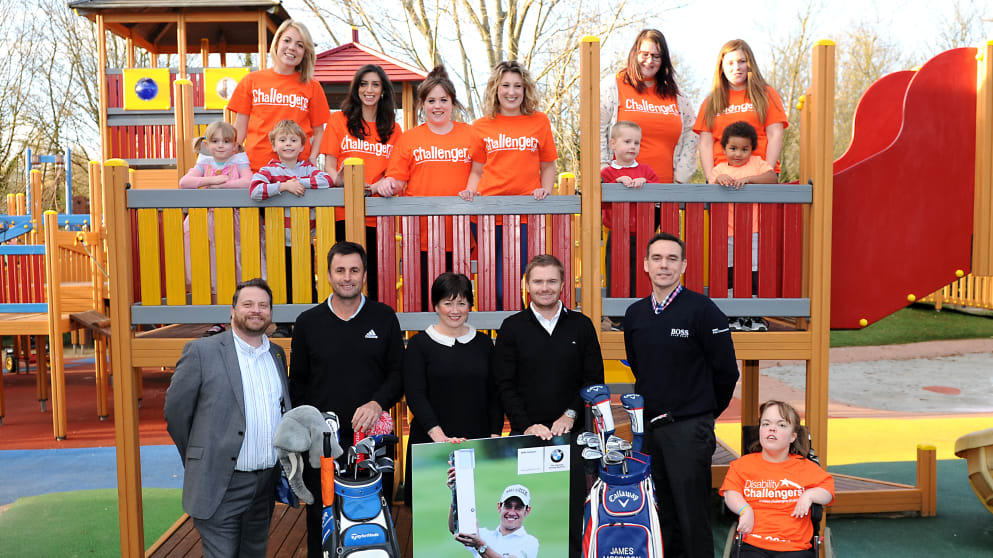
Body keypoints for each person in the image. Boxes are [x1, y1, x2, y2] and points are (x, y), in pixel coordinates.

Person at [622, 232, 740, 558]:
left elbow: (727, 372)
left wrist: (702, 414)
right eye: (657, 258)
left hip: (689, 429)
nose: (664, 265)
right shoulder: (635, 315)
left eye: (672, 259)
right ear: (645, 265)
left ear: (684, 265)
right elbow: (640, 367)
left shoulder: (703, 311)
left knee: (692, 518)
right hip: (650, 431)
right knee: (661, 517)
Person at [289, 241, 404, 558]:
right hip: (322, 445)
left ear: (365, 275)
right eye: (340, 270)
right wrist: (311, 430)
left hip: (373, 443)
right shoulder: (308, 323)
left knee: (372, 522)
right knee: (321, 521)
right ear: (327, 275)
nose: (347, 277)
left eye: (354, 270)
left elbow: (398, 374)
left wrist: (377, 403)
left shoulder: (384, 317)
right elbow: (297, 384)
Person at [164, 278, 290, 558]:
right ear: (232, 311)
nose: (255, 310)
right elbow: (175, 414)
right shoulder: (201, 352)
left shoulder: (277, 354)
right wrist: (201, 458)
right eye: (248, 304)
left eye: (263, 305)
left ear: (270, 313)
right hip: (219, 483)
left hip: (264, 485)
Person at [492, 254, 603, 558]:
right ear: (527, 285)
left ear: (563, 284)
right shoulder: (512, 327)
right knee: (527, 514)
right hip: (526, 436)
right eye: (538, 281)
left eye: (552, 281)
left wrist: (570, 414)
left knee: (568, 518)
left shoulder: (581, 326)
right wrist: (527, 424)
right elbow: (504, 384)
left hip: (571, 437)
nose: (545, 287)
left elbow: (593, 379)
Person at [600, 29, 696, 301]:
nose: (649, 60)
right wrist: (605, 171)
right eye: (644, 53)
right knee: (623, 254)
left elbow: (693, 130)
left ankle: (660, 307)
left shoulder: (674, 94)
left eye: (656, 55)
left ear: (663, 59)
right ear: (634, 53)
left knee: (660, 256)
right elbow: (597, 127)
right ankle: (621, 312)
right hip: (623, 190)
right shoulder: (615, 85)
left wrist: (681, 178)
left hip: (661, 191)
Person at [383, 65, 481, 309]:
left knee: (458, 299)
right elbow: (397, 178)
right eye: (431, 100)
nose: (438, 106)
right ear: (422, 104)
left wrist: (471, 187)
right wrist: (386, 184)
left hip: (458, 231)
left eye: (444, 100)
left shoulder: (472, 135)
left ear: (453, 103)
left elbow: (481, 171)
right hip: (421, 234)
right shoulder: (410, 138)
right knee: (424, 296)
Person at [462, 60, 558, 308]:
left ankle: (517, 335)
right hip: (486, 216)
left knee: (514, 282)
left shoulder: (539, 121)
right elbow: (476, 170)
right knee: (493, 286)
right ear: (496, 88)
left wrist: (545, 191)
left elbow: (548, 166)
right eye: (505, 85)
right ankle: (506, 337)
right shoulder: (481, 126)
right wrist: (470, 191)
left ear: (525, 90)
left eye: (518, 86)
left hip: (526, 215)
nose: (511, 92)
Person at [404, 272, 503, 500]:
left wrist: (495, 435)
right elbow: (415, 394)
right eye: (448, 303)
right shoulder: (419, 344)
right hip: (431, 444)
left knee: (477, 507)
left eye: (462, 303)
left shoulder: (484, 344)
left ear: (470, 305)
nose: (455, 310)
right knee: (431, 514)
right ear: (436, 306)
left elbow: (494, 394)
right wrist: (440, 438)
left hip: (476, 442)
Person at [320, 64, 404, 299]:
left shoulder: (394, 130)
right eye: (364, 84)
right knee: (346, 276)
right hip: (343, 212)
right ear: (356, 89)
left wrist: (376, 187)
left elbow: (396, 173)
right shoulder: (338, 121)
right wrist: (339, 179)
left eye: (375, 84)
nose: (369, 89)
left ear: (383, 91)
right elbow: (329, 165)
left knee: (377, 278)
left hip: (378, 214)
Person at [720, 401, 834, 557]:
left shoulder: (806, 467)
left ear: (793, 436)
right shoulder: (741, 466)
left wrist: (810, 495)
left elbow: (827, 492)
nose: (771, 428)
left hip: (794, 547)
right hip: (752, 543)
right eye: (766, 424)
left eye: (781, 425)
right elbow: (730, 493)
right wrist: (745, 510)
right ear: (760, 430)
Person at [227, 19, 330, 172]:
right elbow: (240, 127)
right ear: (276, 44)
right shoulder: (251, 81)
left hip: (297, 170)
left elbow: (319, 131)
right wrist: (230, 159)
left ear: (305, 53)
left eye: (299, 45)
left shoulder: (313, 86)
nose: (292, 48)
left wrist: (313, 157)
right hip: (256, 169)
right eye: (287, 40)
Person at [180, 121, 253, 334]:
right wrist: (210, 179)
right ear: (206, 144)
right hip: (207, 223)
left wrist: (222, 184)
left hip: (233, 222)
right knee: (210, 268)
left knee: (234, 267)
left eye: (226, 141)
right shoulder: (203, 163)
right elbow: (184, 182)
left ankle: (237, 314)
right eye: (215, 141)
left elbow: (249, 182)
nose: (221, 145)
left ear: (235, 145)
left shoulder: (239, 162)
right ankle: (217, 317)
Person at [249, 119, 332, 309]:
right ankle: (283, 325)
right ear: (274, 145)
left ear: (302, 145)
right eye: (283, 140)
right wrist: (284, 186)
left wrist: (299, 182)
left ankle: (307, 321)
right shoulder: (268, 170)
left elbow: (326, 180)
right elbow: (255, 191)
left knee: (306, 279)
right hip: (278, 238)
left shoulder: (308, 168)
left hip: (304, 238)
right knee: (281, 281)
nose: (288, 144)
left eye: (293, 140)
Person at [709, 120, 778, 332]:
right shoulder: (719, 169)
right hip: (727, 232)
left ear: (752, 149)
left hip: (752, 231)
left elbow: (772, 178)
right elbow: (712, 181)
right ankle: (732, 314)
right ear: (724, 148)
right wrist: (720, 178)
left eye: (744, 149)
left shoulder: (757, 164)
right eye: (733, 148)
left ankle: (753, 315)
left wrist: (749, 180)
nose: (738, 154)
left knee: (753, 270)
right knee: (730, 271)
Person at [694, 39, 787, 181]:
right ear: (722, 67)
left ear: (750, 64)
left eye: (742, 61)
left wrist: (764, 175)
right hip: (723, 177)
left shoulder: (766, 94)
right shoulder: (710, 102)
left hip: (758, 174)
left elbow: (775, 135)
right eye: (730, 63)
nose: (736, 67)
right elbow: (705, 144)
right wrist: (712, 179)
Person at [600, 120, 660, 318]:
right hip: (618, 234)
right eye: (627, 141)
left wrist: (647, 184)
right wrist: (615, 183)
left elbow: (660, 195)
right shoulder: (607, 173)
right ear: (613, 144)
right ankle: (617, 317)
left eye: (637, 143)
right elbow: (598, 200)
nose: (633, 146)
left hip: (645, 235)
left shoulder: (647, 171)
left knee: (642, 275)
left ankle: (644, 313)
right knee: (617, 274)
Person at [449, 483, 540, 558]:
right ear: (499, 507)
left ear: (527, 511)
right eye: (508, 506)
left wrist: (479, 545)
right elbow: (456, 527)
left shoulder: (530, 542)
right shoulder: (483, 535)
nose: (512, 512)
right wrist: (455, 492)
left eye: (518, 508)